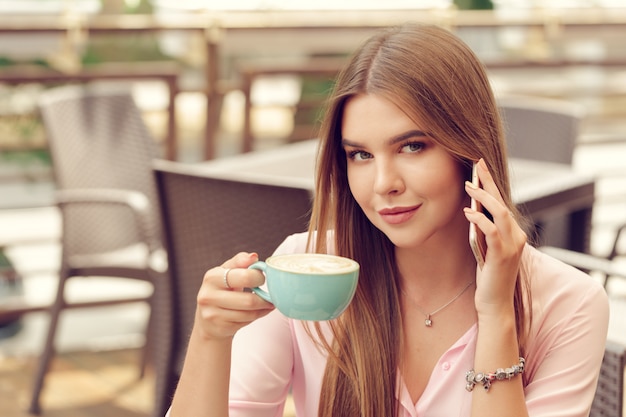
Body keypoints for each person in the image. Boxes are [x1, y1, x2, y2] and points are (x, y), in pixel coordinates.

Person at [166, 24, 609, 417]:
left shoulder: (568, 304)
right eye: (360, 154)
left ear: (469, 146)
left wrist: (496, 316)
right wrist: (210, 337)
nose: (383, 184)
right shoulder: (302, 267)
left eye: (412, 146)